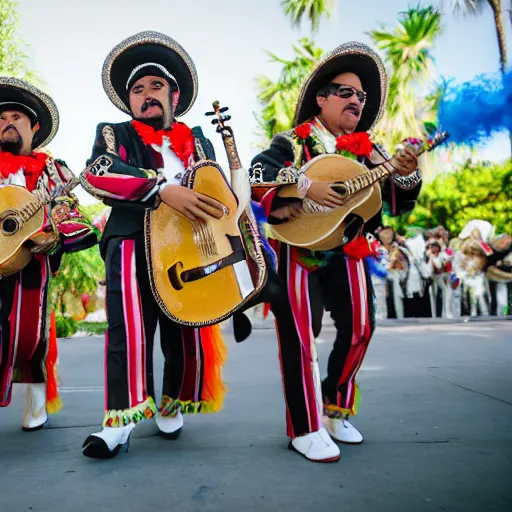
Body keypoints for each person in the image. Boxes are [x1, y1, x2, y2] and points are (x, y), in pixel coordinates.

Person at [80, 31, 257, 458]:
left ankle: (174, 400)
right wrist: (160, 188)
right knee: (129, 329)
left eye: (155, 86)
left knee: (185, 326)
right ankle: (119, 420)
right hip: (130, 241)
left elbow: (217, 190)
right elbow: (99, 173)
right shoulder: (114, 131)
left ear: (174, 95)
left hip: (188, 249)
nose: (146, 96)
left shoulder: (197, 139)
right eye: (137, 90)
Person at [249, 42, 423, 447]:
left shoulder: (371, 150)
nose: (356, 100)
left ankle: (335, 407)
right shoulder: (294, 139)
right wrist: (303, 188)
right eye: (346, 92)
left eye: (361, 96)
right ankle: (306, 428)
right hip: (301, 247)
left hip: (350, 246)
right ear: (322, 99)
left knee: (361, 328)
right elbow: (259, 174)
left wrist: (407, 173)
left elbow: (395, 204)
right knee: (300, 335)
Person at [0, 76, 98, 430]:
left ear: (34, 127)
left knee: (31, 336)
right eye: (0, 118)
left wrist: (54, 232)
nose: (7, 123)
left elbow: (69, 209)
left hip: (30, 265)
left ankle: (36, 402)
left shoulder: (53, 170)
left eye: (16, 117)